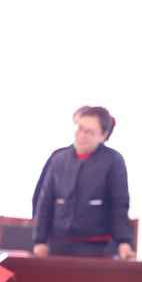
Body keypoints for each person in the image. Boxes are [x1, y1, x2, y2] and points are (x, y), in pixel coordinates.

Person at [32, 106, 135, 260]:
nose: (81, 135)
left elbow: (119, 204)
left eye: (89, 132)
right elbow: (45, 201)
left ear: (103, 135)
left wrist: (123, 241)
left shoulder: (113, 160)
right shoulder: (58, 158)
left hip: (95, 243)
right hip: (58, 240)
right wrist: (39, 240)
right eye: (79, 128)